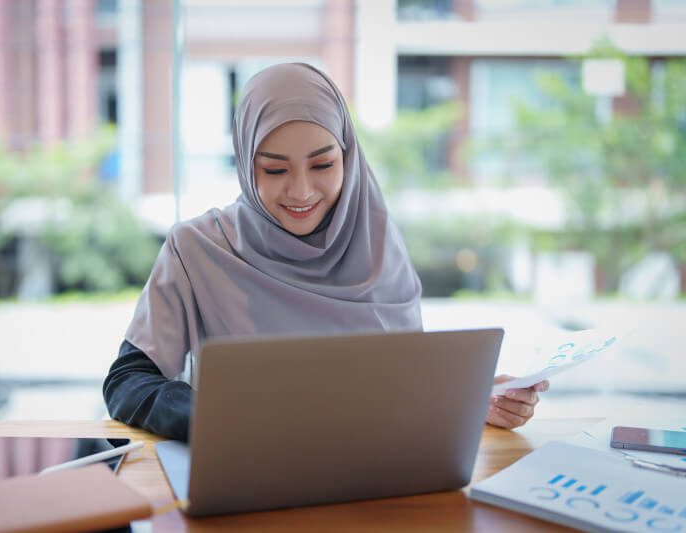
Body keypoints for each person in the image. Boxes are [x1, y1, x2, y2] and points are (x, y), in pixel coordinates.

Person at [103, 63, 548, 442]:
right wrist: (219, 420)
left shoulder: (377, 246)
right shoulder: (196, 249)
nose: (300, 191)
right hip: (252, 476)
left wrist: (473, 400)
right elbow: (127, 382)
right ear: (243, 163)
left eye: (322, 165)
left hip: (372, 488)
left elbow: (401, 386)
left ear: (348, 157)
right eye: (274, 168)